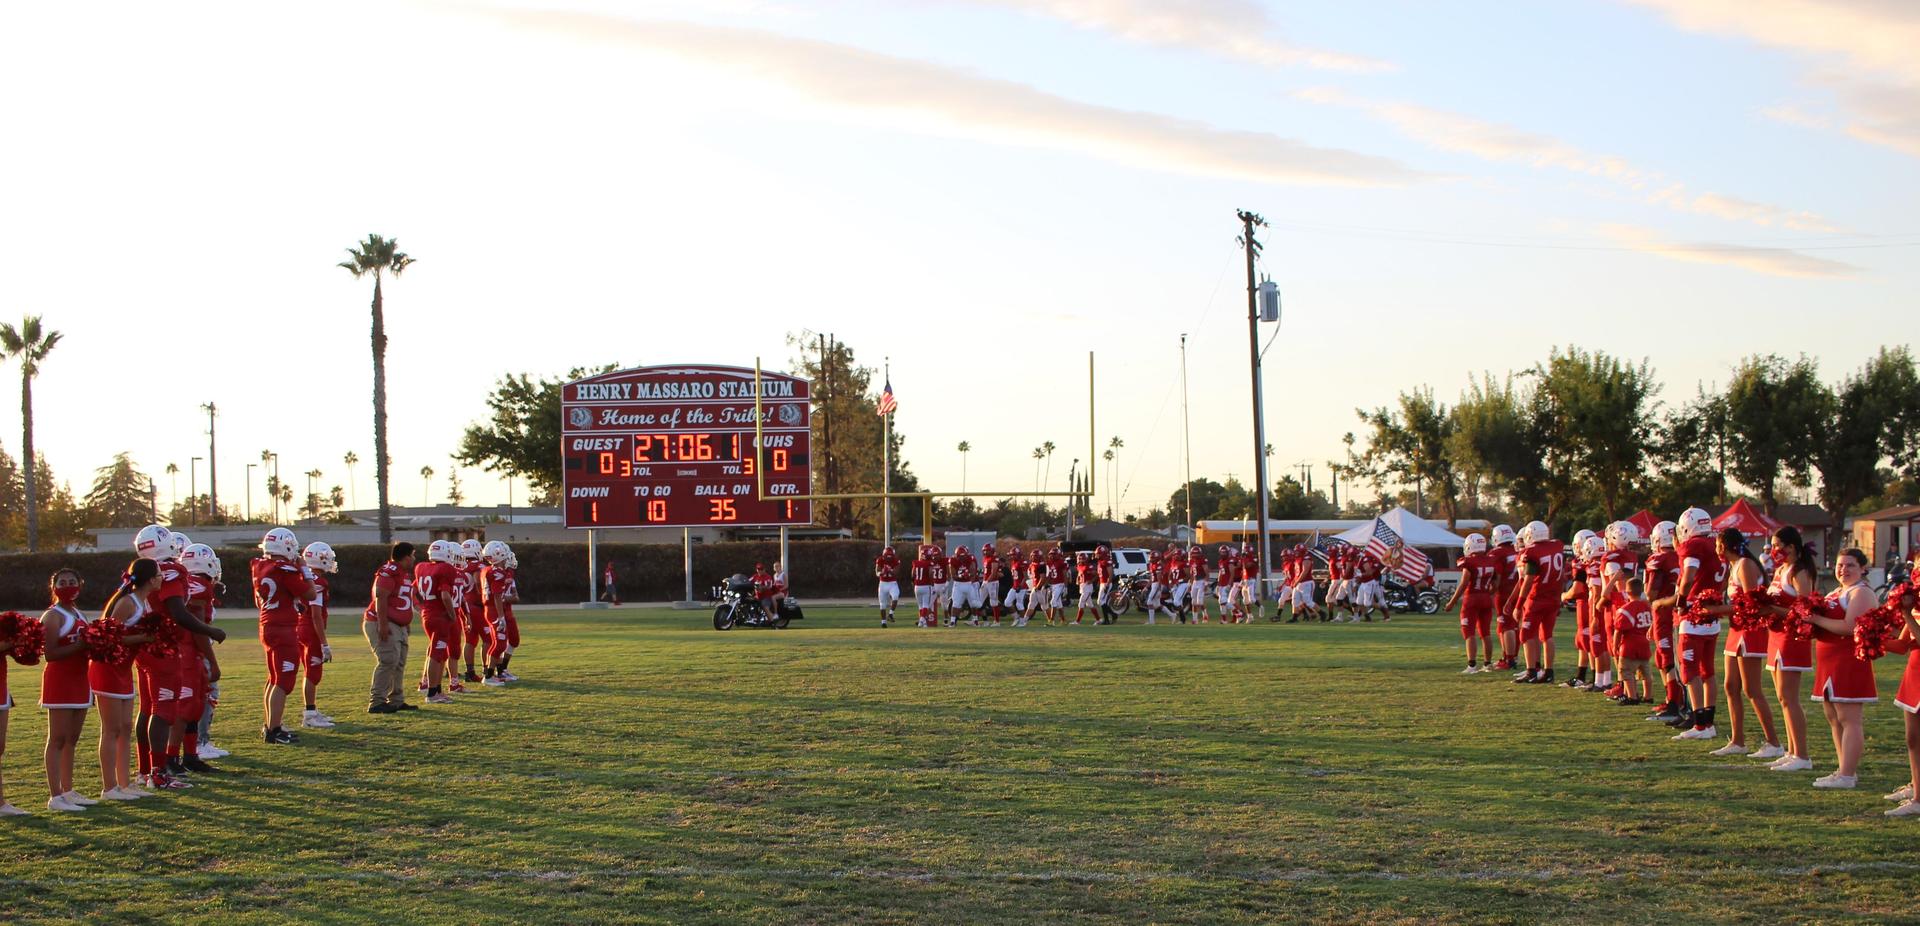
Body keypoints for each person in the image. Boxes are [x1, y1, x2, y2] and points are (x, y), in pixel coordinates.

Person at [1803, 548, 1878, 789]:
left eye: (1850, 565)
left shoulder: (1862, 593)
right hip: (1828, 661)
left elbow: (1849, 627)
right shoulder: (1838, 591)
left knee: (1849, 718)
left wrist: (1815, 620)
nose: (1843, 569)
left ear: (1863, 568)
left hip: (1848, 660)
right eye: (1840, 565)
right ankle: (1843, 770)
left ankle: (1848, 774)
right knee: (1833, 717)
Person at [1706, 528, 1780, 758]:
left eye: (1718, 545)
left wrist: (1717, 610)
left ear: (1725, 545)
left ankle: (1773, 742)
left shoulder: (1746, 564)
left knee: (1752, 689)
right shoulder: (1733, 566)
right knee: (1731, 686)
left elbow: (1752, 604)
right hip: (1737, 629)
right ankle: (1738, 741)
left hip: (1750, 630)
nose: (1716, 549)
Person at [92, 559, 161, 801]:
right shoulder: (126, 603)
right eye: (159, 574)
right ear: (151, 579)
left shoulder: (143, 602)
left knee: (123, 729)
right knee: (111, 729)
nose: (162, 578)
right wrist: (145, 637)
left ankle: (124, 783)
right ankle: (109, 788)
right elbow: (108, 638)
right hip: (107, 668)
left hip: (123, 669)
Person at [1658, 507, 1724, 739]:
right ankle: (1708, 722)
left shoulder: (1694, 546)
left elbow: (1689, 576)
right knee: (1707, 671)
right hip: (1711, 615)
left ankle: (1699, 723)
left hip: (1693, 616)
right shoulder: (1715, 544)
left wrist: (1681, 600)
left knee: (1689, 671)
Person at [1756, 526, 1817, 772]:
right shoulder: (1780, 570)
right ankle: (1792, 751)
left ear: (1791, 547)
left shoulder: (1799, 571)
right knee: (1782, 698)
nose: (1774, 551)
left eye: (1778, 546)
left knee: (1790, 698)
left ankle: (1802, 755)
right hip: (1776, 636)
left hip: (1792, 638)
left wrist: (1772, 609)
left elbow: (1805, 610)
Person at [40, 569, 98, 811]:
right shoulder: (52, 616)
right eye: (62, 583)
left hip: (80, 680)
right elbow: (50, 654)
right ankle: (55, 797)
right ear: (53, 588)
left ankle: (68, 789)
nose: (67, 586)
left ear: (80, 585)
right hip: (60, 681)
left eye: (72, 582)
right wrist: (80, 645)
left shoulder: (78, 613)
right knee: (57, 739)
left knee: (72, 739)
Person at [254, 528, 315, 742]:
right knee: (283, 681)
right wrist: (305, 569)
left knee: (273, 678)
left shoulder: (262, 566)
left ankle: (270, 724)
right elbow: (311, 593)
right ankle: (274, 730)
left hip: (267, 625)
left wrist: (291, 603)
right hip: (282, 629)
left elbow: (262, 599)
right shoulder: (284, 568)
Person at [179, 544, 225, 766]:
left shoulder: (185, 582)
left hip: (176, 649)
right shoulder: (200, 586)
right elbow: (197, 629)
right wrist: (212, 661)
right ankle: (199, 743)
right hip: (189, 651)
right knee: (196, 699)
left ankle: (191, 748)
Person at [365, 542, 419, 713]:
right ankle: (377, 702)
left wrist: (406, 623)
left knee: (399, 662)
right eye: (413, 555)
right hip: (385, 622)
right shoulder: (389, 572)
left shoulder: (402, 573)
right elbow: (381, 598)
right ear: (406, 556)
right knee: (388, 661)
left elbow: (401, 601)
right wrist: (382, 624)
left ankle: (396, 700)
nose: (414, 558)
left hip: (398, 624)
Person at [1512, 521, 1567, 685]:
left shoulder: (1533, 552)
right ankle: (1548, 671)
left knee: (1526, 634)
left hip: (1537, 598)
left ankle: (1531, 672)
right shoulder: (1556, 546)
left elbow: (1527, 580)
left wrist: (1518, 604)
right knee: (1547, 635)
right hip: (1553, 598)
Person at [1644, 521, 1685, 723]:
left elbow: (1651, 593)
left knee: (1668, 659)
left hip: (1665, 613)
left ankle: (1674, 705)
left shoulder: (1659, 559)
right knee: (1664, 659)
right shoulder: (1683, 555)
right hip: (1677, 613)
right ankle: (1673, 699)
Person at [1887, 567, 1920, 816]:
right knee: (1912, 738)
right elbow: (1902, 644)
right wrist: (1869, 636)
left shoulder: (1913, 609)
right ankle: (1916, 790)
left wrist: (1906, 613)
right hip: (1914, 674)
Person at [298, 542, 338, 729]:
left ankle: (311, 711)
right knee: (313, 673)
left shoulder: (304, 576)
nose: (330, 560)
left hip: (299, 627)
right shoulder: (318, 581)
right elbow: (315, 614)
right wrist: (324, 644)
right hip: (310, 629)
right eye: (327, 557)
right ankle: (310, 714)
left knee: (309, 671)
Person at [1446, 533, 1499, 673]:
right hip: (1486, 598)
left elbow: (1464, 583)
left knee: (1469, 632)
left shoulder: (1469, 562)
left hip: (1472, 598)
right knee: (1485, 632)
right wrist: (1490, 593)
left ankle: (1472, 665)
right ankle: (1487, 664)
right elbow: (1496, 582)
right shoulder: (1491, 560)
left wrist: (1452, 602)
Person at [480, 541, 518, 685]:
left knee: (501, 642)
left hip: (493, 609)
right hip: (495, 610)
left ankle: (495, 673)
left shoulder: (491, 570)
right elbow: (497, 596)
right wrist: (501, 617)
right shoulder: (496, 572)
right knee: (500, 644)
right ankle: (489, 676)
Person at [1613, 578, 1656, 705]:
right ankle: (1648, 696)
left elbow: (1619, 630)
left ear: (1627, 592)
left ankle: (1632, 697)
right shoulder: (1647, 606)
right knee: (1645, 672)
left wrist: (1615, 645)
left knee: (1626, 671)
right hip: (1644, 643)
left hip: (1630, 644)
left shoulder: (1626, 609)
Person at [1489, 525, 1521, 670]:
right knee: (1514, 626)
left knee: (1505, 626)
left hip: (1504, 592)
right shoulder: (1517, 550)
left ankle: (1509, 659)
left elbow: (1497, 576)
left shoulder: (1497, 553)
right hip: (1518, 590)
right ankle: (1512, 656)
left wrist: (1490, 590)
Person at [459, 539, 486, 684]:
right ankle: (487, 670)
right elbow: (477, 581)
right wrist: (484, 597)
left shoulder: (461, 566)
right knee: (488, 639)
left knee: (470, 641)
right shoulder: (478, 565)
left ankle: (469, 672)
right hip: (476, 605)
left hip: (465, 606)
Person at [911, 545, 937, 628]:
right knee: (926, 605)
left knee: (920, 605)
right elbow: (930, 574)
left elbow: (913, 574)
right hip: (926, 586)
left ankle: (924, 623)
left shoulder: (916, 563)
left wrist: (914, 582)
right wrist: (932, 584)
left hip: (917, 586)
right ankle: (921, 620)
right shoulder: (929, 563)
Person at [875, 546, 901, 627]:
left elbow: (896, 572)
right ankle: (883, 622)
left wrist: (890, 570)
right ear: (884, 555)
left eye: (890, 556)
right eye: (887, 556)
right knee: (882, 604)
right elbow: (877, 572)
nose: (889, 558)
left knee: (896, 596)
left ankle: (890, 614)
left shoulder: (896, 560)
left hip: (892, 582)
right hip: (883, 583)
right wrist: (881, 573)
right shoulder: (880, 560)